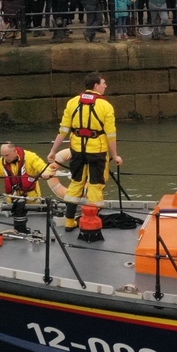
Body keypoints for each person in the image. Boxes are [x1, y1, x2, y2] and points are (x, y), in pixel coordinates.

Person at [46, 73, 123, 236]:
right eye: (103, 83)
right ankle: (91, 222)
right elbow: (111, 134)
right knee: (96, 184)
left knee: (76, 183)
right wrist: (115, 155)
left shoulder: (73, 102)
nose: (105, 86)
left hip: (77, 150)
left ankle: (69, 221)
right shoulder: (105, 106)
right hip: (97, 151)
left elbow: (63, 130)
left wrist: (53, 151)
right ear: (96, 85)